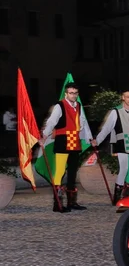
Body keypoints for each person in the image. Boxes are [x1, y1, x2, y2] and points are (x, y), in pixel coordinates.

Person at [39, 82, 94, 212]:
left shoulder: (79, 106)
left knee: (73, 172)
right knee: (60, 171)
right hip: (63, 141)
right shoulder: (60, 106)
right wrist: (44, 136)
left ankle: (72, 202)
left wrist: (89, 138)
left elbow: (83, 123)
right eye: (71, 93)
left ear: (78, 94)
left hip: (74, 141)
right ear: (66, 93)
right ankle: (57, 204)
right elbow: (52, 122)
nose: (73, 95)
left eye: (75, 93)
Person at [94, 90, 129, 204]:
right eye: (127, 97)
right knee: (124, 168)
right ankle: (117, 198)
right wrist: (97, 140)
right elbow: (107, 128)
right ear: (123, 97)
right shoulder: (116, 111)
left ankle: (127, 198)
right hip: (122, 142)